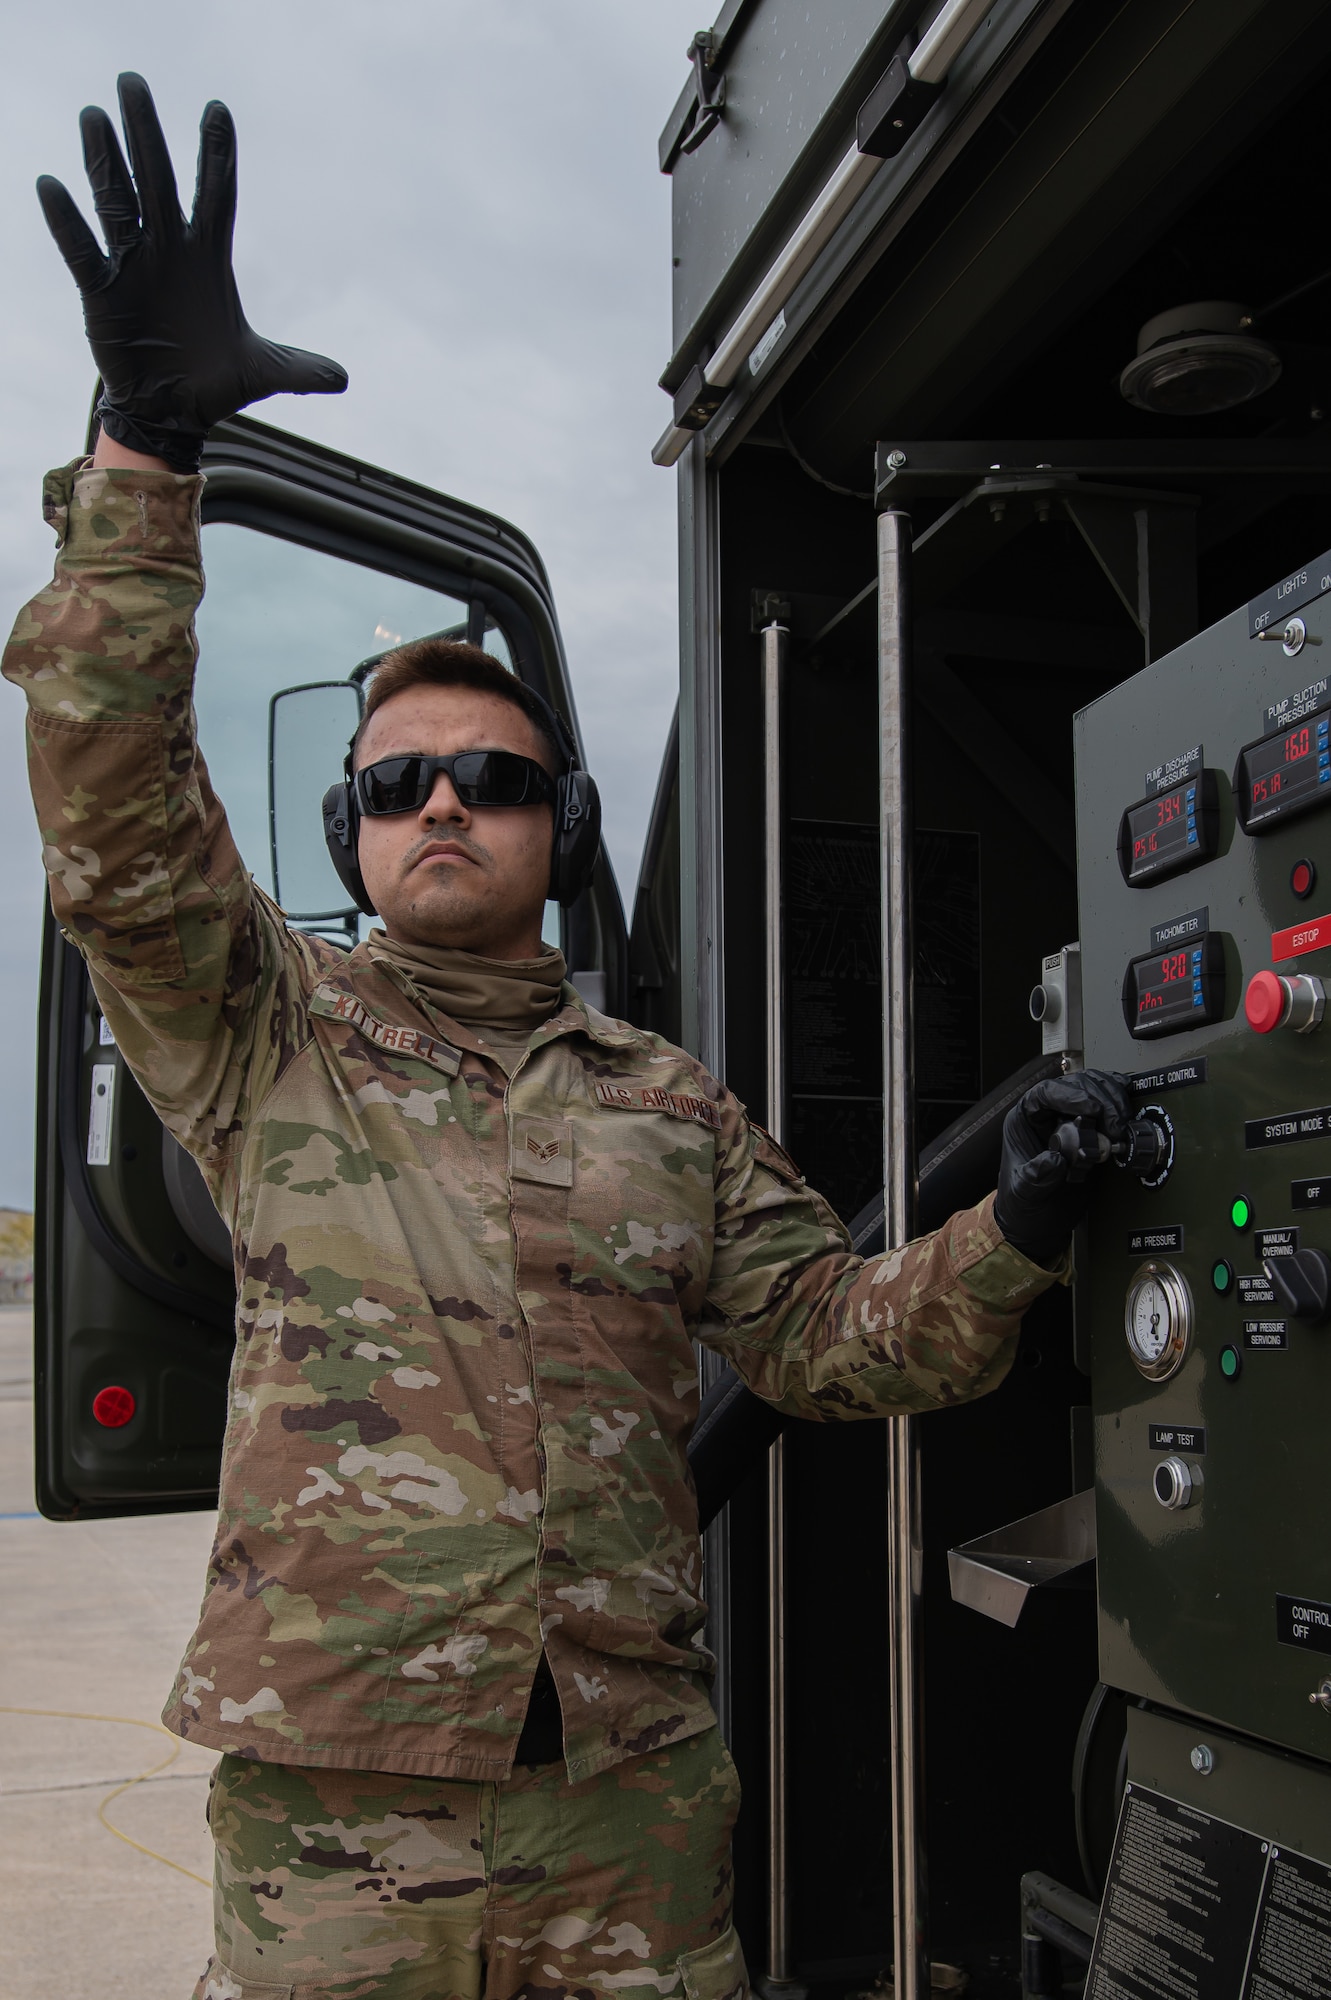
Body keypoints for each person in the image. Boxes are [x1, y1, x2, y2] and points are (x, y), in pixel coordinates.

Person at [6, 76, 1129, 2000]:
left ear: (563, 828)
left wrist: (1011, 1232)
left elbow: (836, 1345)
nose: (445, 805)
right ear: (351, 835)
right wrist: (143, 458)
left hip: (630, 1798)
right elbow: (111, 817)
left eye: (494, 777)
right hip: (339, 1818)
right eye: (401, 784)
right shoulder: (268, 1034)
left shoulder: (663, 1104)